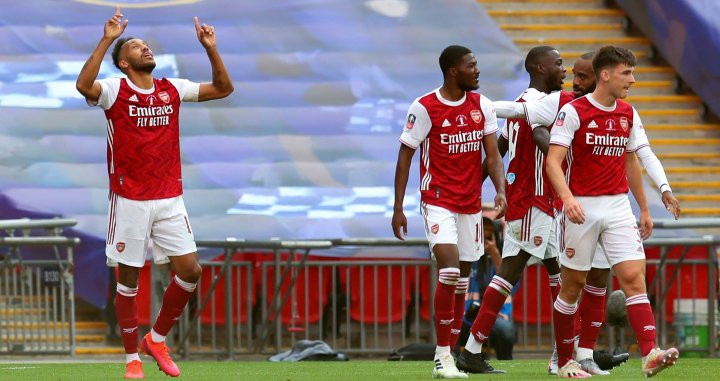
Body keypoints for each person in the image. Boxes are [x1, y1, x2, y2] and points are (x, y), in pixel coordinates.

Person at [494, 51, 680, 375]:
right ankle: (565, 360)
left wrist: (661, 192)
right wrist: (567, 199)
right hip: (581, 206)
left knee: (634, 277)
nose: (632, 80)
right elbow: (553, 161)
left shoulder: (628, 113)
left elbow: (641, 156)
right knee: (572, 285)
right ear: (605, 75)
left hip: (618, 205)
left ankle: (650, 353)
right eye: (626, 73)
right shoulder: (572, 111)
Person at [75, 6, 233, 379]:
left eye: (145, 45)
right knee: (129, 280)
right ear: (124, 64)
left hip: (169, 197)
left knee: (191, 271)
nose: (144, 49)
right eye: (135, 47)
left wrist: (210, 47)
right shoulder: (114, 90)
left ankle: (156, 339)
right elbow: (84, 86)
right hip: (129, 199)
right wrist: (109, 37)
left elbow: (224, 89)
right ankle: (132, 358)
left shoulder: (171, 88)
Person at [391, 44, 507, 379]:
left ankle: (451, 355)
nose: (478, 70)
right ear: (454, 71)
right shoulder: (425, 106)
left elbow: (492, 155)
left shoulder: (481, 105)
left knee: (461, 281)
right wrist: (398, 208)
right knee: (450, 271)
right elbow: (405, 155)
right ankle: (442, 356)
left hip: (470, 204)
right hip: (437, 200)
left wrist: (499, 189)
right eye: (472, 65)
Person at [456, 46, 565, 374]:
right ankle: (472, 349)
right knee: (511, 272)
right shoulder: (536, 106)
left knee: (561, 274)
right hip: (533, 202)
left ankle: (565, 353)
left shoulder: (524, 104)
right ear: (540, 67)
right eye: (559, 63)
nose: (564, 70)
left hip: (538, 202)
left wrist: (475, 186)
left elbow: (500, 148)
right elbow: (539, 135)